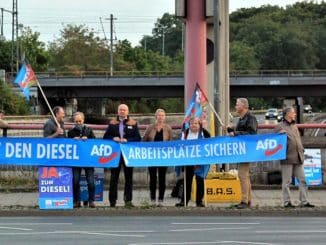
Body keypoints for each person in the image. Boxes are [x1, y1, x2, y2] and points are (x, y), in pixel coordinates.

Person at [275, 107, 314, 208]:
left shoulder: (294, 126)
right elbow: (274, 140)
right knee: (286, 181)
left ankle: (304, 201)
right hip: (287, 157)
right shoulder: (279, 126)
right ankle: (287, 202)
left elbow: (298, 140)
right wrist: (278, 135)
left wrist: (301, 150)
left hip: (298, 156)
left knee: (303, 180)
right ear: (287, 114)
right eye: (293, 112)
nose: (295, 114)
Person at [103, 104, 141, 208]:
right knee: (113, 178)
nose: (122, 111)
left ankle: (128, 201)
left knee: (129, 178)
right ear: (118, 111)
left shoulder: (133, 123)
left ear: (127, 112)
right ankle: (112, 201)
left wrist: (127, 140)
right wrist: (112, 138)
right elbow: (105, 137)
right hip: (115, 155)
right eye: (120, 110)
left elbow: (137, 138)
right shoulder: (112, 123)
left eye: (124, 110)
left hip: (128, 155)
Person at [226, 98, 257, 209]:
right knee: (244, 176)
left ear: (243, 106)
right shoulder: (242, 119)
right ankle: (247, 200)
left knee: (243, 175)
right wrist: (231, 130)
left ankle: (244, 200)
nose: (235, 106)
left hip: (246, 150)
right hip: (242, 150)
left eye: (237, 104)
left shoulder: (250, 118)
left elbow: (251, 133)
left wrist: (236, 133)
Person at [175, 117, 210, 207]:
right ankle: (184, 201)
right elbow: (181, 145)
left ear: (199, 125)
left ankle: (199, 201)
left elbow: (210, 145)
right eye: (191, 123)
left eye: (195, 123)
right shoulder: (185, 133)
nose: (193, 125)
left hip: (201, 162)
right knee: (187, 181)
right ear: (189, 125)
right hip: (188, 161)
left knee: (200, 180)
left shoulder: (205, 133)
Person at [142, 108, 173, 206]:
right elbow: (144, 141)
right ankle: (152, 198)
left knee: (162, 178)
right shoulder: (150, 127)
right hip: (152, 157)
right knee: (153, 178)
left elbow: (171, 143)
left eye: (162, 115)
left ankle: (161, 199)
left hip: (163, 157)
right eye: (159, 115)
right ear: (156, 116)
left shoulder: (168, 128)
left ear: (165, 117)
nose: (160, 117)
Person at [68, 112, 96, 208]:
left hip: (88, 159)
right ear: (74, 121)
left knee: (91, 181)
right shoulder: (70, 132)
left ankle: (91, 200)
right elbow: (66, 144)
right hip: (76, 160)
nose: (78, 123)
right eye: (76, 121)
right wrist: (72, 140)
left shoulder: (89, 130)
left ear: (83, 120)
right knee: (75, 181)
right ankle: (77, 201)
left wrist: (88, 139)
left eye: (80, 121)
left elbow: (96, 142)